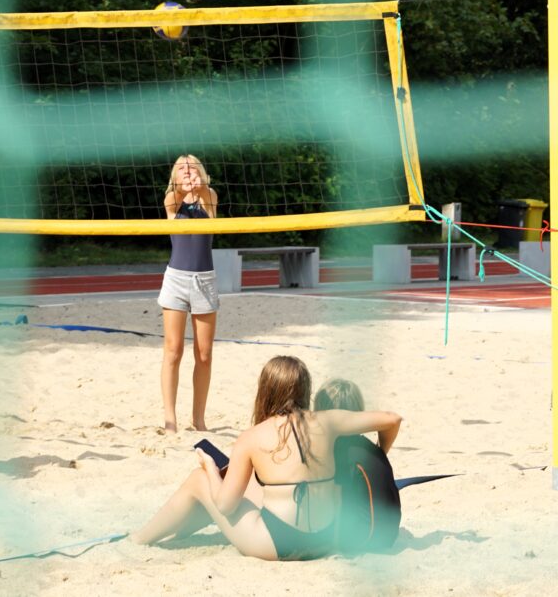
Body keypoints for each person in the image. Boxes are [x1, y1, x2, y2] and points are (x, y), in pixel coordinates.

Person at [132, 356, 402, 560]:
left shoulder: (252, 437)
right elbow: (392, 419)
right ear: (306, 390)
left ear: (266, 391)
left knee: (200, 481)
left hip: (280, 544)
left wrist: (210, 468)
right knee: (248, 488)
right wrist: (381, 452)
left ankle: (140, 537)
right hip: (324, 538)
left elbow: (225, 506)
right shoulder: (329, 421)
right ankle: (180, 533)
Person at [157, 154, 218, 433]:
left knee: (204, 354)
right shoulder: (172, 198)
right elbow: (176, 198)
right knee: (173, 351)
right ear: (174, 175)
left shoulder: (209, 197)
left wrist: (199, 185)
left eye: (192, 167)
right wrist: (183, 187)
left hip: (204, 280)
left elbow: (206, 193)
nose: (187, 170)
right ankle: (170, 421)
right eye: (181, 168)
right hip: (177, 279)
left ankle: (199, 419)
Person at [313, 378, 402, 552]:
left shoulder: (337, 452)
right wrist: (381, 451)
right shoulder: (369, 449)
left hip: (363, 541)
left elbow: (335, 499)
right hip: (390, 534)